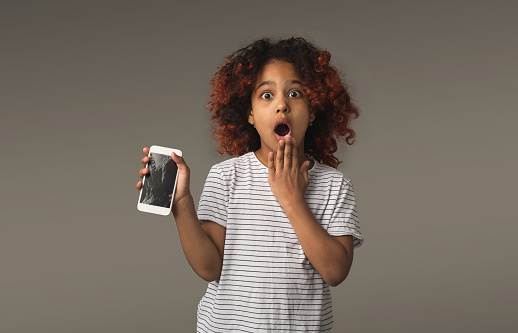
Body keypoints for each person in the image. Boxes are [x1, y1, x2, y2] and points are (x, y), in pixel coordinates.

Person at [136, 37, 364, 332]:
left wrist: (292, 200)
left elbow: (335, 271)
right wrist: (181, 204)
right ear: (251, 115)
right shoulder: (226, 177)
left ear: (313, 110)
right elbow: (209, 268)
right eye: (266, 96)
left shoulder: (335, 185)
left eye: (295, 93)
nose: (282, 104)